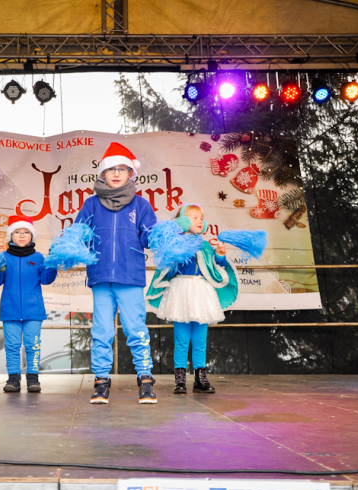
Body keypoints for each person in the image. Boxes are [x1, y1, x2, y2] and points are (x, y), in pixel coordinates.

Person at [74, 142, 158, 404]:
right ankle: (101, 380)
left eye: (122, 168)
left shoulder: (141, 205)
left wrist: (160, 237)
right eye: (111, 169)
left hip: (130, 278)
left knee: (135, 328)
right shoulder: (91, 205)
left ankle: (145, 379)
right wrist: (70, 247)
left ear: (131, 173)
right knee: (101, 330)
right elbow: (77, 235)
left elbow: (150, 239)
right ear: (103, 174)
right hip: (100, 277)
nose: (117, 173)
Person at [146, 204, 239, 394]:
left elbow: (213, 265)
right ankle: (179, 380)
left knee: (200, 339)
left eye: (200, 218)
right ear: (183, 221)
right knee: (181, 339)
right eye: (193, 217)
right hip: (181, 291)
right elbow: (167, 266)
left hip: (201, 292)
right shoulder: (176, 244)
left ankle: (200, 377)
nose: (199, 221)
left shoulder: (204, 245)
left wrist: (220, 256)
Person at [0, 215, 57, 393]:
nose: (21, 235)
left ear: (31, 237)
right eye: (17, 232)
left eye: (26, 232)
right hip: (10, 310)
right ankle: (13, 379)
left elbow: (46, 279)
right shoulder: (2, 257)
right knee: (12, 346)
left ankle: (33, 379)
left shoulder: (38, 257)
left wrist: (52, 264)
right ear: (10, 235)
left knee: (32, 345)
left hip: (34, 311)